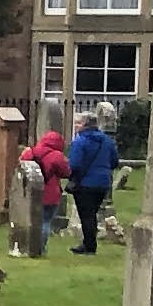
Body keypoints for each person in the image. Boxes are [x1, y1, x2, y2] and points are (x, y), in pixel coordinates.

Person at [63, 106, 120, 253]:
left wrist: (71, 175)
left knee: (86, 215)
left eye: (78, 123)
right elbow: (114, 161)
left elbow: (74, 164)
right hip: (103, 183)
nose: (75, 126)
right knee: (92, 213)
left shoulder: (80, 142)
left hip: (85, 183)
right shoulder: (107, 141)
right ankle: (89, 243)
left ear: (86, 125)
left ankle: (89, 246)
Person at [24, 120, 71, 244]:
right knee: (45, 222)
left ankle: (28, 245)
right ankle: (40, 247)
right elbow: (66, 173)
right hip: (50, 194)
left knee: (31, 220)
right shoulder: (57, 156)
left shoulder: (30, 152)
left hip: (31, 192)